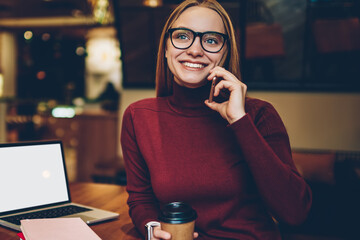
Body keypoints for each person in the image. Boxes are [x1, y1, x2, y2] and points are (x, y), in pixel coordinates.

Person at [120, 0, 312, 239]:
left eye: (211, 40)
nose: (195, 50)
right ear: (166, 48)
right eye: (182, 36)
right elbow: (141, 199)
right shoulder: (138, 116)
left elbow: (295, 212)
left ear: (224, 53)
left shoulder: (259, 115)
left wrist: (239, 121)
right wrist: (152, 230)